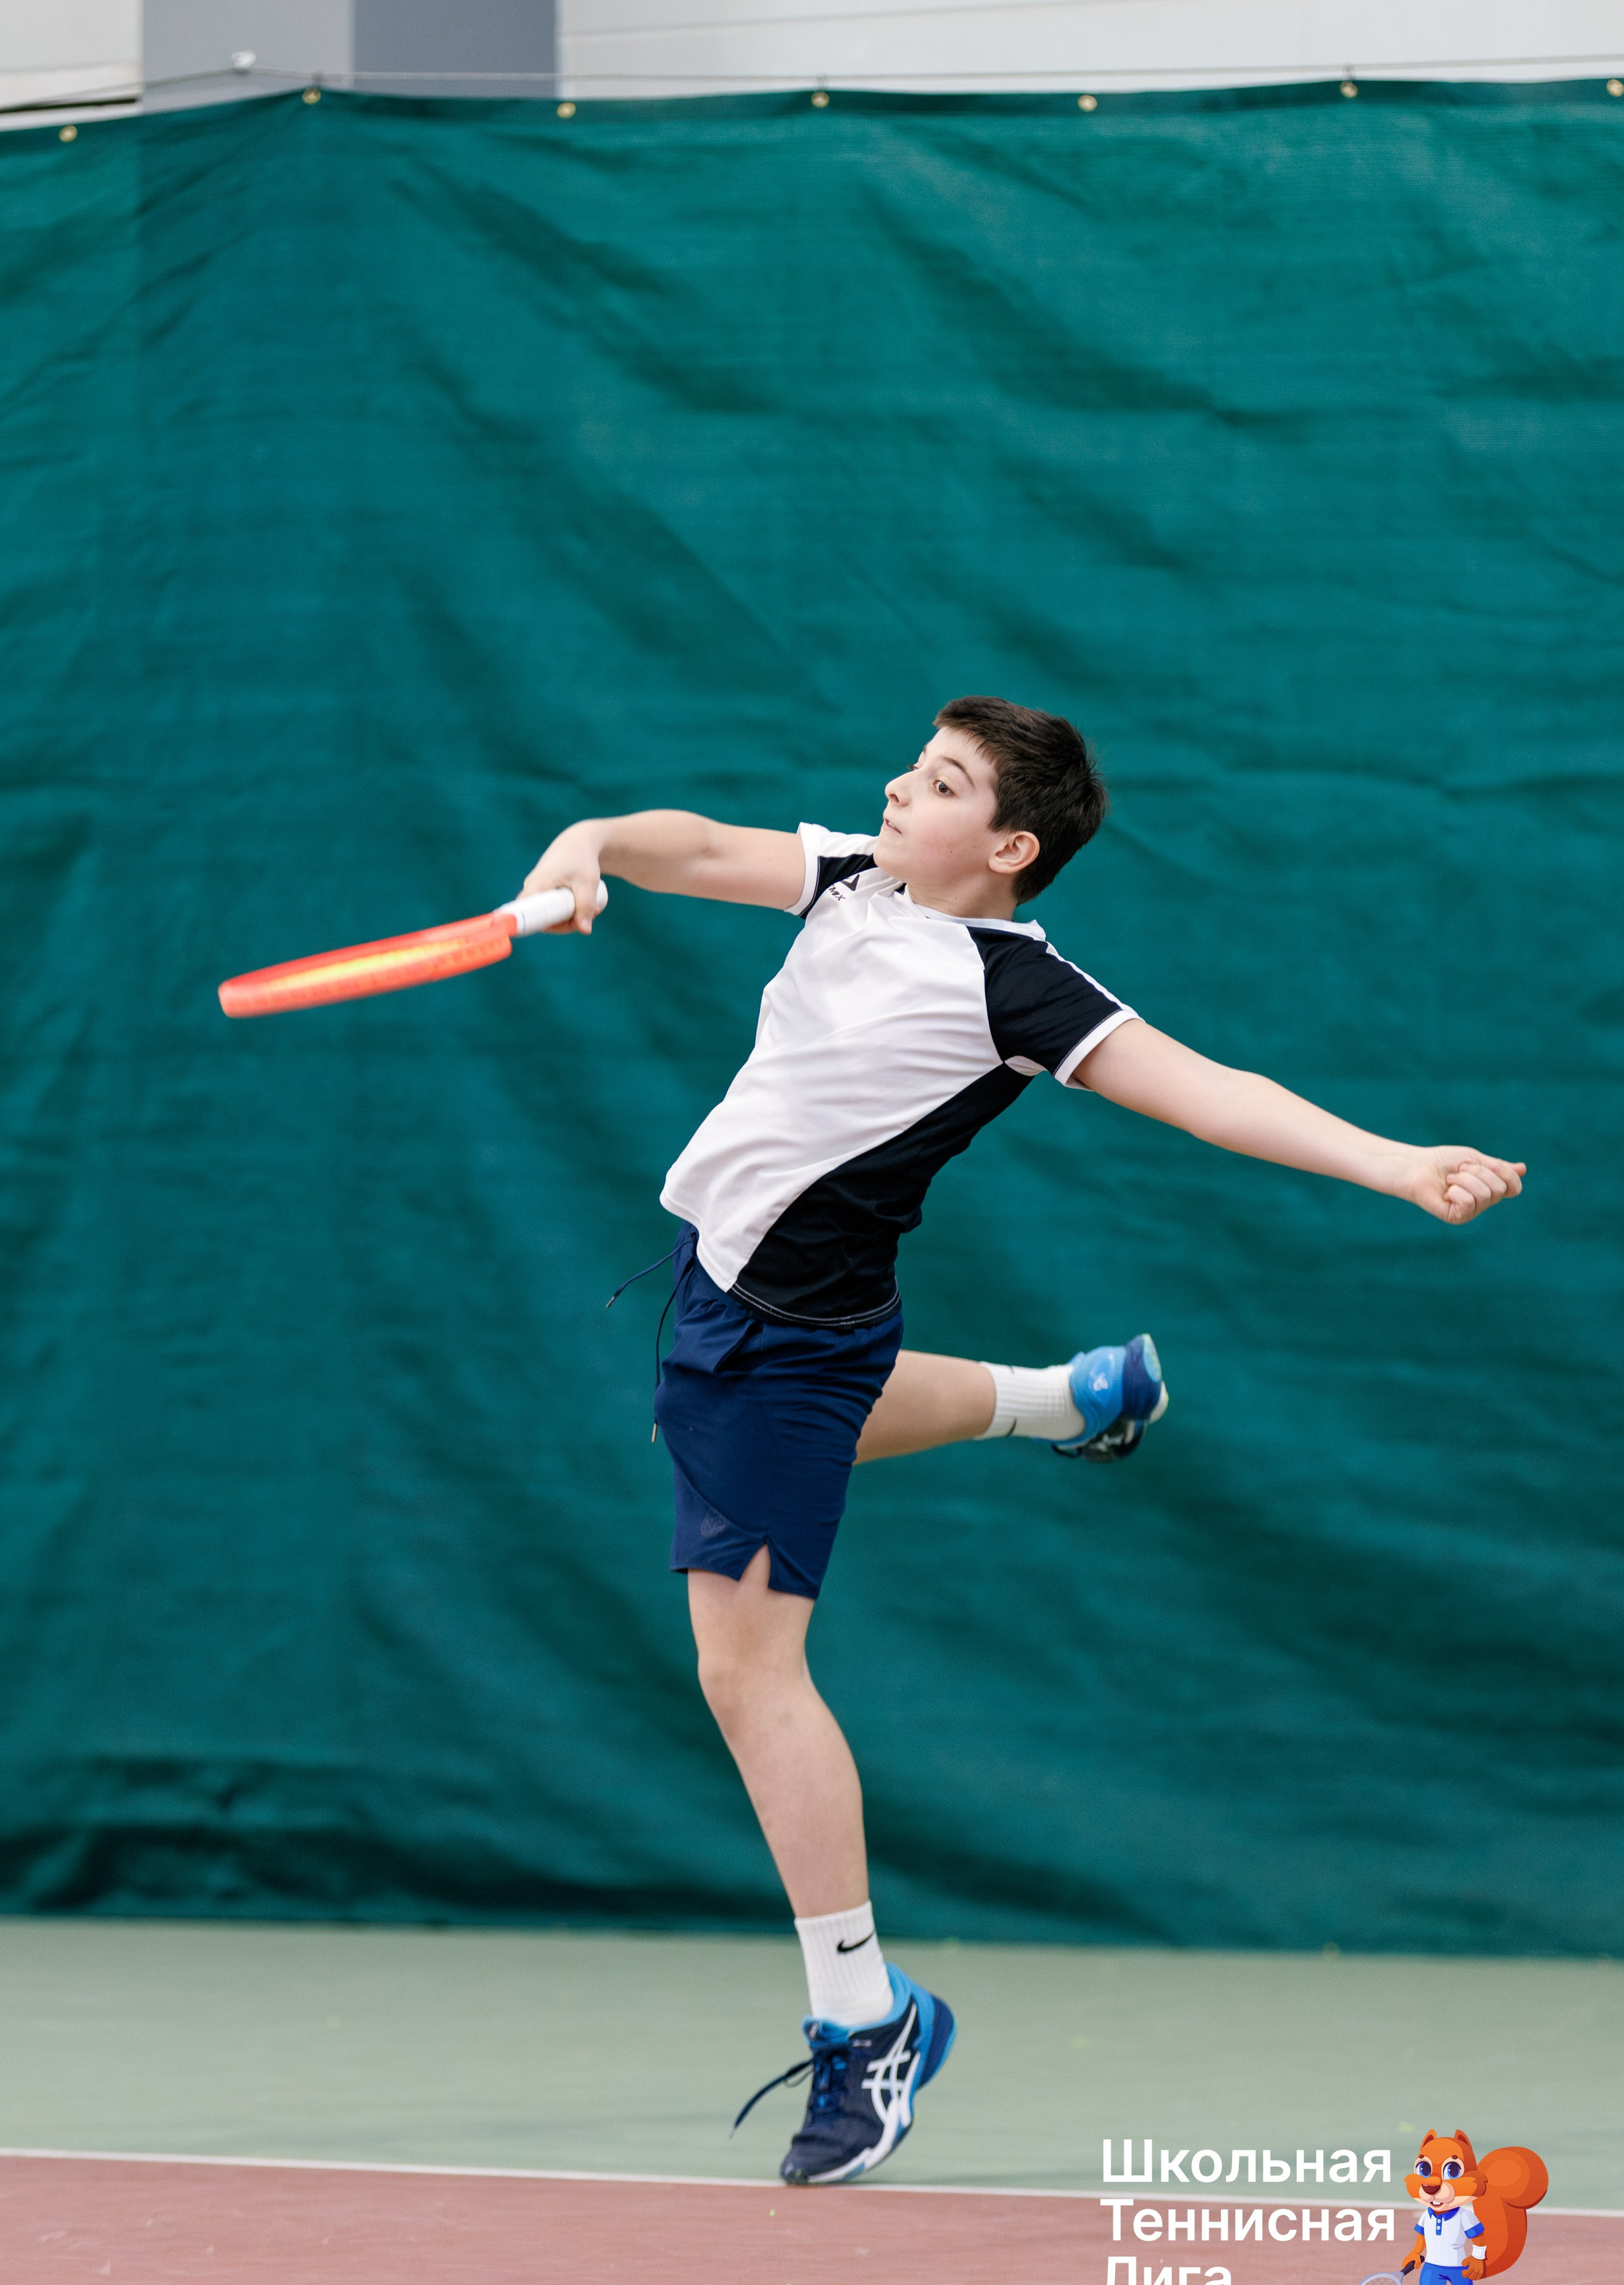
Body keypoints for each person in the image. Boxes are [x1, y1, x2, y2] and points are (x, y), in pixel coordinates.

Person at [521, 695, 1524, 2187]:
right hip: (734, 1298)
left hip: (787, 1337)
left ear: (1005, 845)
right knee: (806, 1448)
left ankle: (867, 2018)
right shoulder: (861, 872)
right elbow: (704, 846)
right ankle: (1071, 1398)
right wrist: (589, 843)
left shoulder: (1017, 988)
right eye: (908, 767)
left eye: (933, 784)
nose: (892, 790)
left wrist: (1395, 1163)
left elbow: (1210, 1093)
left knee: (744, 1669)